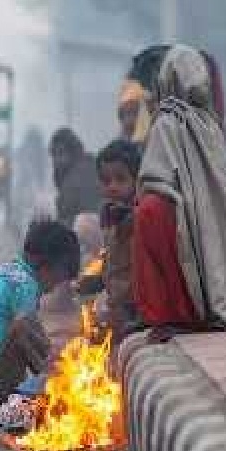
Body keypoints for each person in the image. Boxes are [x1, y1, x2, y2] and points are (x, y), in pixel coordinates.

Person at [132, 45, 226, 337]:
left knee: (149, 211)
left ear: (166, 79)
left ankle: (170, 313)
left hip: (177, 225)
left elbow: (154, 182)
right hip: (208, 228)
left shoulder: (167, 121)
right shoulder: (211, 125)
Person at [0, 218, 81, 410]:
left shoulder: (9, 271)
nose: (52, 289)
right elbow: (28, 328)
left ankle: (56, 376)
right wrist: (57, 363)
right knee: (25, 326)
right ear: (42, 264)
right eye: (56, 279)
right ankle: (60, 380)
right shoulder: (26, 284)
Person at [94, 139, 142, 344]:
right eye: (106, 181)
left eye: (121, 179)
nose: (112, 186)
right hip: (117, 306)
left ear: (137, 180)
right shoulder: (111, 217)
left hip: (135, 312)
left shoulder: (140, 218)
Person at [49, 127, 101, 226]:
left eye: (61, 153)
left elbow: (71, 215)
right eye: (54, 154)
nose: (56, 160)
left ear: (73, 151)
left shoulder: (79, 176)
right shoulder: (69, 173)